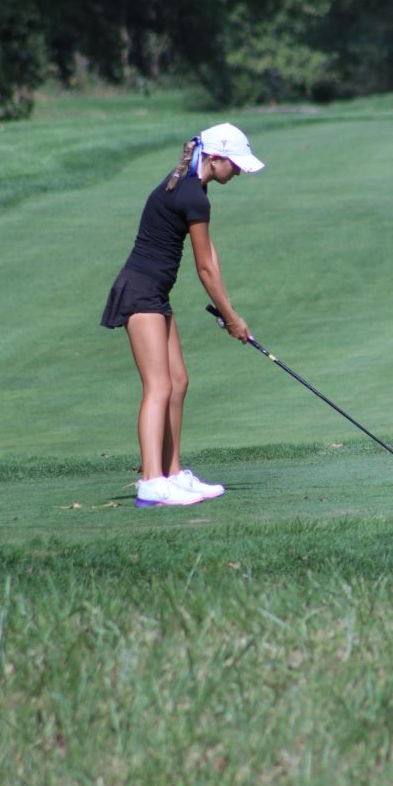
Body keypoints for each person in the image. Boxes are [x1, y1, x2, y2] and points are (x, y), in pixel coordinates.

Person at [101, 122, 265, 508]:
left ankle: (173, 474)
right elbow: (204, 268)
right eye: (236, 164)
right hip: (140, 293)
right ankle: (150, 482)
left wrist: (229, 312)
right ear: (216, 157)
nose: (239, 171)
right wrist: (233, 317)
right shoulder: (193, 194)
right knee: (158, 387)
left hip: (154, 293)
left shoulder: (194, 186)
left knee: (178, 380)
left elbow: (211, 258)